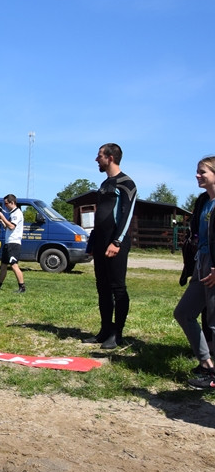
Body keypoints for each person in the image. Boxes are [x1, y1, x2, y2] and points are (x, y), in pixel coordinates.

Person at [83, 143, 137, 350]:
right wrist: (92, 242)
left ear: (110, 158)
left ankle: (117, 334)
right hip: (100, 243)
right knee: (102, 288)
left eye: (99, 156)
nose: (97, 160)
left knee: (117, 287)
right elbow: (100, 216)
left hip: (116, 244)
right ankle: (105, 329)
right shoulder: (105, 184)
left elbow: (127, 214)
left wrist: (117, 242)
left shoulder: (126, 183)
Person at [175, 158, 215, 388]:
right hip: (202, 262)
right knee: (184, 313)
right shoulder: (203, 201)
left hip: (213, 265)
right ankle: (207, 364)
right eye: (197, 172)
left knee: (213, 322)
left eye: (202, 172)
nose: (197, 175)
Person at [0, 194, 26, 293]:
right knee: (3, 265)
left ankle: (22, 287)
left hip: (14, 243)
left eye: (6, 203)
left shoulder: (17, 213)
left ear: (12, 202)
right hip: (8, 242)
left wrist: (3, 217)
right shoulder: (12, 214)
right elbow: (8, 227)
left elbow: (12, 227)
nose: (5, 205)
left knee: (13, 265)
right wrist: (2, 221)